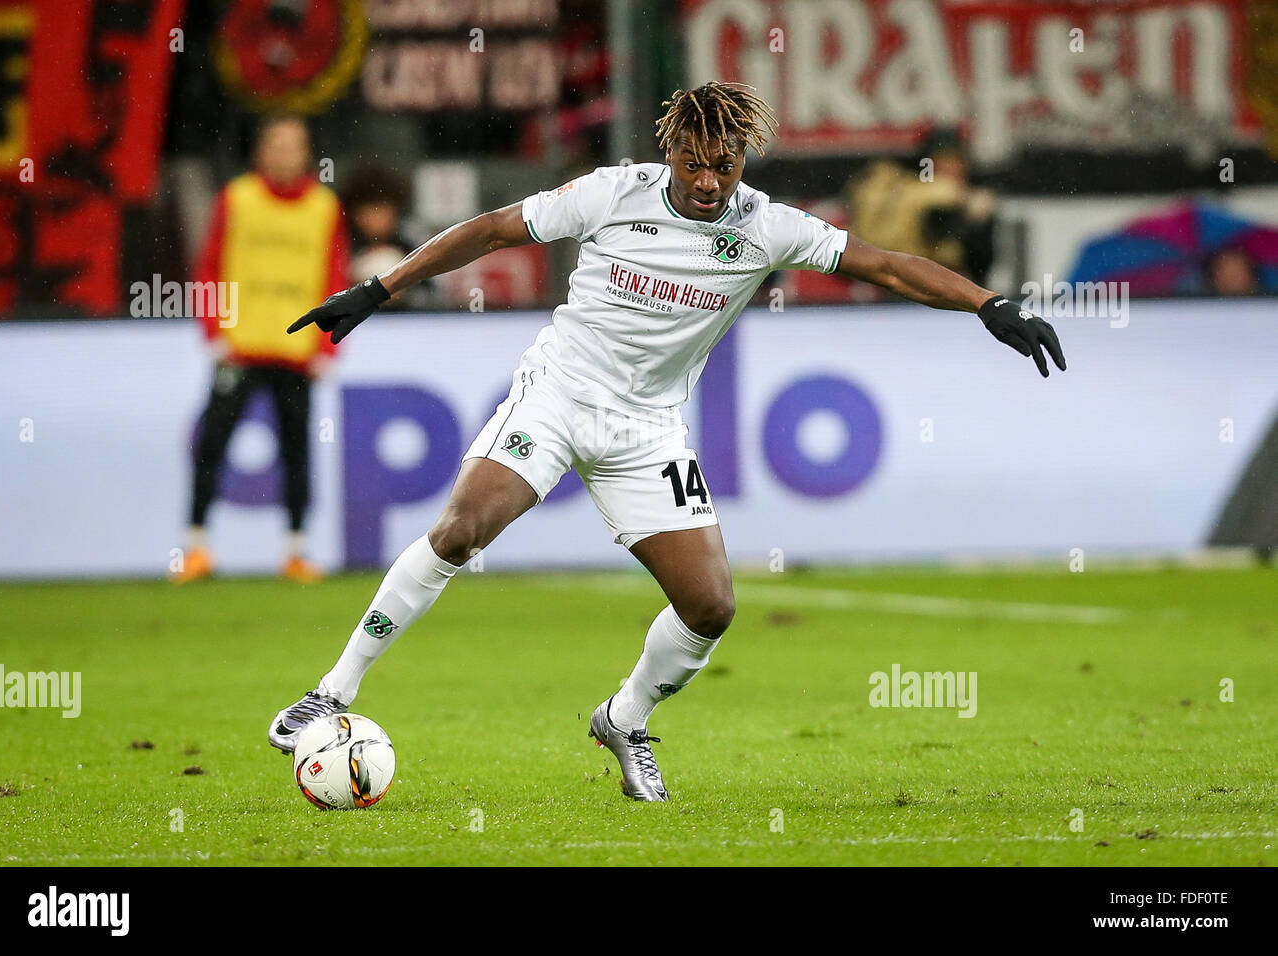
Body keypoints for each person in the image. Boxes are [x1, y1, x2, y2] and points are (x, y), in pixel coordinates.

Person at [268, 83, 1065, 800]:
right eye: (693, 164)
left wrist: (988, 305)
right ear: (669, 155)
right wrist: (377, 289)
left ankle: (625, 717)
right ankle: (332, 692)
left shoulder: (767, 227)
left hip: (647, 429)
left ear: (742, 158)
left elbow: (886, 266)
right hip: (557, 396)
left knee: (711, 605)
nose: (710, 181)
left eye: (724, 164)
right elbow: (493, 230)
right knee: (461, 528)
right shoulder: (613, 194)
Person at [173, 115, 348, 585]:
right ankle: (196, 549)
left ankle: (295, 551)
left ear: (306, 154)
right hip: (241, 347)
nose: (286, 155)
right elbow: (209, 264)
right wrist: (214, 332)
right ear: (261, 151)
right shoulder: (238, 199)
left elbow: (336, 279)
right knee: (211, 446)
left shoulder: (324, 207)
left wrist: (328, 346)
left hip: (297, 351)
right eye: (277, 145)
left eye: (295, 146)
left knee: (296, 451)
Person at [848, 127, 997, 287]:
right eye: (944, 160)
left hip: (880, 275)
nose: (951, 167)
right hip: (914, 280)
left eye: (955, 160)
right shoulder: (938, 191)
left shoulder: (892, 184)